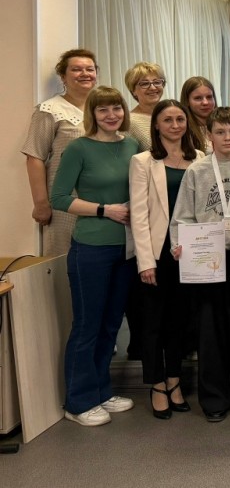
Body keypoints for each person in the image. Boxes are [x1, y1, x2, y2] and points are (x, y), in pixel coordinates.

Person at [50, 86, 140, 426]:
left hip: (126, 249)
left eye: (116, 108)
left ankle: (102, 391)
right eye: (103, 109)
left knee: (111, 324)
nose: (111, 115)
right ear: (92, 114)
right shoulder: (79, 148)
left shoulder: (132, 145)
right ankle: (78, 401)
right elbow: (59, 198)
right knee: (87, 325)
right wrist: (105, 209)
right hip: (90, 248)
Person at [170, 107, 230, 422]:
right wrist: (178, 245)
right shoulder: (196, 171)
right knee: (209, 329)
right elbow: (182, 216)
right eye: (220, 132)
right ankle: (214, 399)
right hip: (206, 257)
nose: (227, 138)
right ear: (208, 135)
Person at [129, 99, 202, 419]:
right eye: (168, 120)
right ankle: (157, 384)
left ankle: (174, 380)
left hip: (188, 252)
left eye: (180, 119)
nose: (175, 125)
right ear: (156, 125)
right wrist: (145, 261)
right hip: (157, 253)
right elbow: (139, 214)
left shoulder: (200, 158)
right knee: (153, 323)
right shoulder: (142, 161)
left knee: (179, 321)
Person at [23, 48, 98, 256]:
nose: (85, 74)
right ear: (63, 76)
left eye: (90, 69)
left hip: (101, 200)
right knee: (65, 259)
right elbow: (34, 156)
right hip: (65, 202)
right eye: (76, 69)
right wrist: (41, 204)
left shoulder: (105, 109)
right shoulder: (50, 110)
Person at [124, 62, 167, 151]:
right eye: (144, 84)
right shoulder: (128, 122)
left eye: (157, 82)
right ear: (133, 91)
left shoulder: (174, 115)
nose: (153, 88)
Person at [180, 76, 217, 153]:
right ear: (187, 101)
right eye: (198, 98)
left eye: (209, 97)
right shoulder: (183, 131)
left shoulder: (223, 124)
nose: (205, 102)